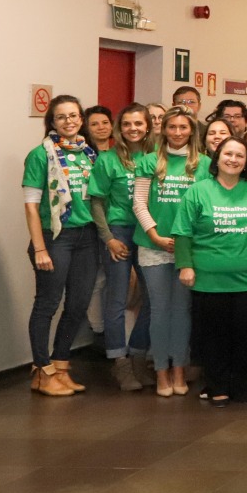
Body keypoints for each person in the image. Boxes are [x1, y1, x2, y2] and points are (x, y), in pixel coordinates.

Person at [172, 136, 247, 407]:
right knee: (213, 338)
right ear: (217, 158)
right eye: (228, 154)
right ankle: (217, 387)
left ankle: (245, 387)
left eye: (240, 156)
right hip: (207, 279)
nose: (233, 160)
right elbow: (182, 232)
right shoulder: (198, 191)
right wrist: (185, 265)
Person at [22, 95, 100, 396]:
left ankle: (61, 364)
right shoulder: (40, 155)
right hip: (55, 238)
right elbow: (30, 206)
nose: (69, 121)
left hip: (87, 237)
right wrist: (40, 249)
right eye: (62, 117)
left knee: (78, 304)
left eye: (74, 115)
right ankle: (42, 371)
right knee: (47, 304)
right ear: (52, 122)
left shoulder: (88, 153)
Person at [133, 110, 200, 397]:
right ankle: (161, 371)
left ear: (191, 130)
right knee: (159, 311)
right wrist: (155, 236)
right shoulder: (150, 162)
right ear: (163, 129)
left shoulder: (203, 163)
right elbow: (139, 203)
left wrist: (184, 241)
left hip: (188, 248)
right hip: (153, 246)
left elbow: (203, 208)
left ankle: (179, 370)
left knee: (182, 312)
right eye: (171, 126)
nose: (176, 131)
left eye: (183, 127)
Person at [87, 103, 154, 391]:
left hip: (149, 231)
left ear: (148, 126)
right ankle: (119, 361)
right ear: (120, 128)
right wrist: (108, 238)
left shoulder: (155, 158)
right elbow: (97, 201)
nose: (133, 129)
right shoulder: (108, 160)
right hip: (119, 231)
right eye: (127, 124)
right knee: (116, 299)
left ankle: (138, 354)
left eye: (138, 123)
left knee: (152, 298)